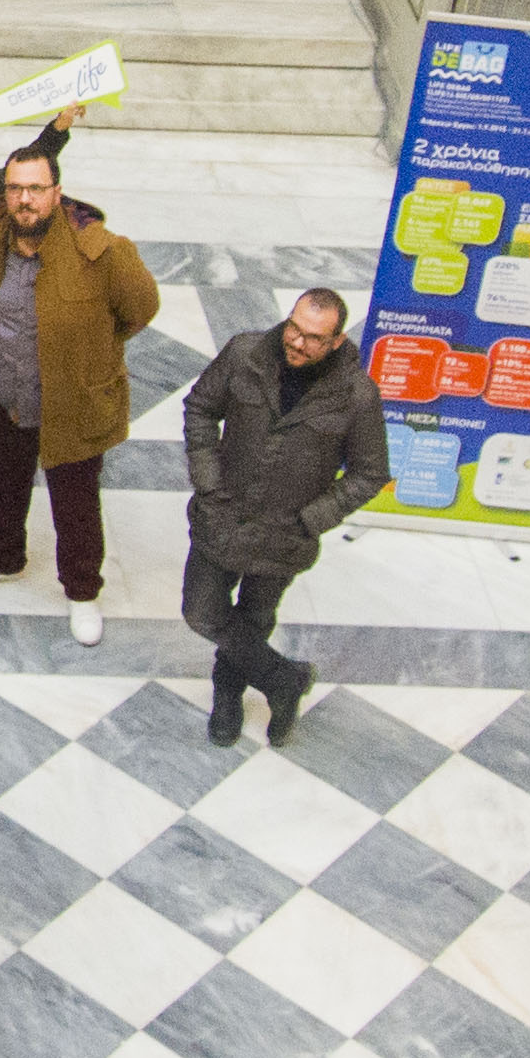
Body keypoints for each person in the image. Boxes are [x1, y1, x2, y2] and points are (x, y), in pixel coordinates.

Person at [0, 140, 159, 646]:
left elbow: (140, 309)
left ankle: (82, 591)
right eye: (15, 189)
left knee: (76, 502)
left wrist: (92, 348)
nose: (25, 200)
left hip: (71, 402)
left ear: (56, 193)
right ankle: (1, 556)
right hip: (4, 393)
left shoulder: (102, 251)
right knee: (5, 482)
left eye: (36, 189)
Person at [180, 286, 383, 746]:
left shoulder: (356, 395)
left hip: (286, 535)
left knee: (254, 618)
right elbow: (201, 408)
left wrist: (312, 518)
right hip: (222, 516)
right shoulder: (245, 354)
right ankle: (283, 679)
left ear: (335, 341)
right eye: (294, 327)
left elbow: (370, 473)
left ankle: (227, 697)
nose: (297, 342)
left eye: (313, 338)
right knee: (201, 611)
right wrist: (208, 481)